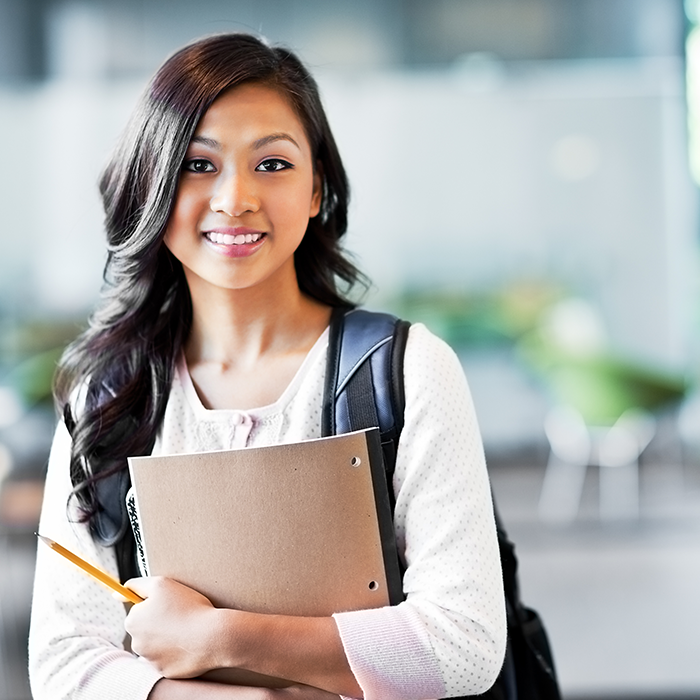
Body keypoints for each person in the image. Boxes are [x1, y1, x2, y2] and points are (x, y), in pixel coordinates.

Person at [28, 32, 507, 700]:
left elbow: (463, 645)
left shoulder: (407, 370)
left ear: (318, 190)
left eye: (273, 165)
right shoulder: (107, 396)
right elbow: (63, 661)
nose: (235, 198)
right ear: (154, 184)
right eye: (198, 165)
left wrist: (220, 639)